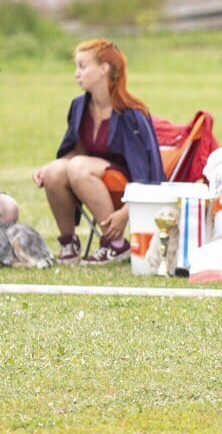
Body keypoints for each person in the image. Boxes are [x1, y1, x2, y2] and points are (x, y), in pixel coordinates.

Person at [33, 38, 164, 265]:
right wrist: (47, 168)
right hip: (87, 178)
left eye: (82, 66)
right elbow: (77, 150)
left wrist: (126, 213)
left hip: (126, 188)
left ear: (104, 69)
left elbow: (148, 172)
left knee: (77, 166)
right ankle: (68, 244)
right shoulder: (79, 106)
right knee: (55, 170)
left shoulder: (132, 113)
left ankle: (115, 244)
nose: (76, 74)